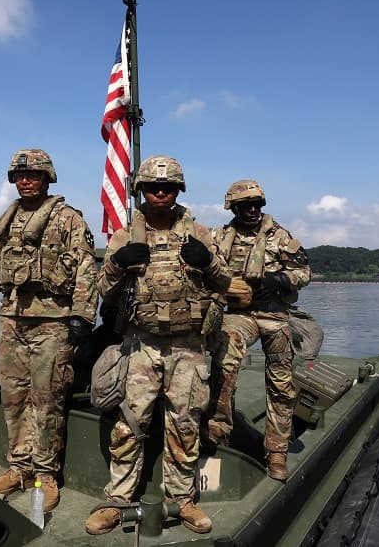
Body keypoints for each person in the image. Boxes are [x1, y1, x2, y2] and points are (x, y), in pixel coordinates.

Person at [85, 155, 231, 536]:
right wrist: (117, 263)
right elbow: (102, 290)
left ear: (178, 190)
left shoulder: (199, 232)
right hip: (141, 344)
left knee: (184, 425)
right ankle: (117, 500)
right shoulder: (124, 236)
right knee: (128, 425)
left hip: (188, 345)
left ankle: (181, 500)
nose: (160, 192)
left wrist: (209, 264)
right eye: (153, 187)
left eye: (167, 187)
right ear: (142, 191)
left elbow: (227, 284)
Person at [0, 149, 98, 513]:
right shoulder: (5, 221)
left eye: (34, 175)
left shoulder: (67, 219)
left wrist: (82, 315)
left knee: (47, 399)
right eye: (20, 175)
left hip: (52, 321)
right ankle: (19, 467)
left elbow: (87, 267)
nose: (26, 181)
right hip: (12, 319)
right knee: (12, 395)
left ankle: (44, 474)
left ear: (47, 179)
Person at [207, 179, 311, 481]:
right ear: (234, 207)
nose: (252, 210)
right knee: (224, 361)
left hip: (275, 315)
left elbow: (304, 272)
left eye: (257, 204)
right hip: (240, 313)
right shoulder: (220, 237)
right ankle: (218, 429)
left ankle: (276, 451)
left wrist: (278, 281)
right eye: (245, 205)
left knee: (280, 382)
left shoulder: (280, 236)